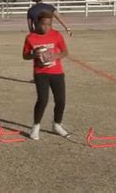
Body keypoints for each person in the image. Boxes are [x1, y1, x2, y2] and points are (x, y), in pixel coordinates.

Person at [22, 10, 70, 140]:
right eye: (44, 24)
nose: (46, 27)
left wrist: (55, 55)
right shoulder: (31, 37)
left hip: (57, 72)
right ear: (37, 23)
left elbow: (65, 52)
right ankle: (35, 127)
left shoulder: (56, 35)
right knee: (42, 100)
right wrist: (33, 55)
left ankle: (57, 125)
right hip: (40, 73)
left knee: (61, 100)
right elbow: (25, 56)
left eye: (49, 25)